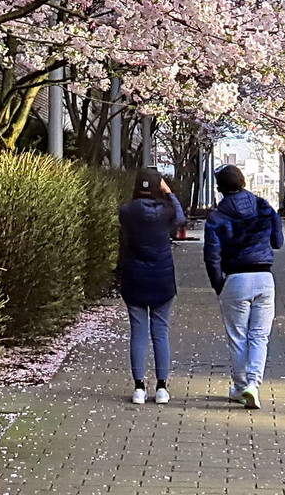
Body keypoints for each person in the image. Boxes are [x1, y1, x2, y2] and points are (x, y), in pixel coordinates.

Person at [202, 164, 283, 410]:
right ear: (243, 181)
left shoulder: (217, 217)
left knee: (238, 338)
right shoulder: (263, 206)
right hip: (264, 278)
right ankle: (253, 385)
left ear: (219, 188)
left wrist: (219, 285)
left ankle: (239, 387)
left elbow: (212, 256)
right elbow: (278, 241)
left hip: (235, 279)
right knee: (260, 336)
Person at [117, 168, 186, 404]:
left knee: (138, 332)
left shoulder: (127, 211)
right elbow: (181, 218)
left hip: (134, 276)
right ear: (160, 187)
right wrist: (169, 193)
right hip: (162, 278)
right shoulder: (167, 211)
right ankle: (162, 388)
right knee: (160, 332)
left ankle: (138, 388)